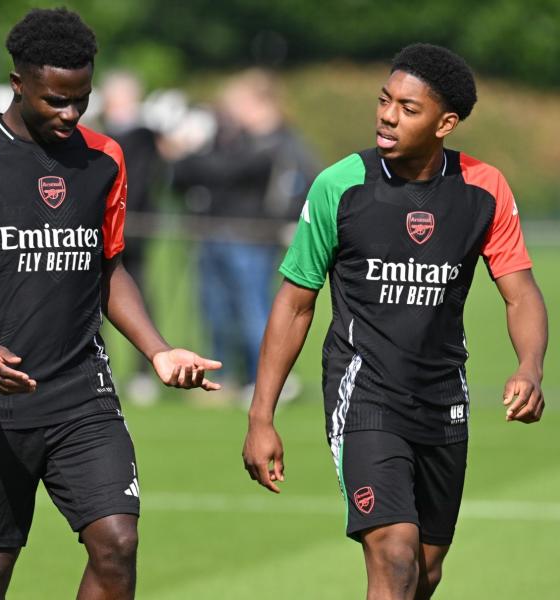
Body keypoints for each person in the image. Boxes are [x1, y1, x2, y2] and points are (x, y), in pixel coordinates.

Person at [0, 8, 221, 599]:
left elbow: (110, 268)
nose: (70, 113)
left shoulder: (104, 158)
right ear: (18, 85)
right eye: (55, 100)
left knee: (118, 543)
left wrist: (157, 351)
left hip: (85, 392)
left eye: (81, 99)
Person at [241, 43, 547, 599]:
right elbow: (294, 302)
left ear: (445, 123)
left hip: (443, 399)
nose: (387, 114)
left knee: (425, 572)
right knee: (395, 553)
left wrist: (530, 367)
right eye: (385, 99)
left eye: (409, 108)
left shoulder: (484, 189)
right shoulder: (340, 186)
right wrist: (261, 415)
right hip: (364, 394)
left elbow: (520, 294)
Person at [171, 69, 315, 404]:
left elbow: (232, 172)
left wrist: (190, 154)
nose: (231, 110)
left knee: (255, 311)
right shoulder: (234, 138)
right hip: (218, 234)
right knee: (217, 310)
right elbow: (193, 175)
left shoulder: (280, 142)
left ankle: (264, 380)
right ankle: (224, 379)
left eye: (239, 102)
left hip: (253, 237)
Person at [99, 70, 164, 405]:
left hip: (129, 229)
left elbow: (136, 183)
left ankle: (145, 369)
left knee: (134, 294)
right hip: (105, 228)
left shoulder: (141, 137)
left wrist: (119, 222)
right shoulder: (103, 133)